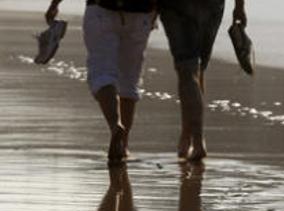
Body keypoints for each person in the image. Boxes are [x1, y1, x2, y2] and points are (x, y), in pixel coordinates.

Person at [44, 0, 157, 161]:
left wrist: (54, 4)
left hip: (101, 11)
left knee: (102, 73)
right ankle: (123, 145)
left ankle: (115, 125)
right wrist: (155, 12)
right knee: (129, 80)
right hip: (141, 13)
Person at [159, 0, 247, 161]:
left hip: (177, 7)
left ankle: (197, 141)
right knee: (196, 70)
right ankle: (188, 136)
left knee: (188, 69)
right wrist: (239, 7)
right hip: (211, 5)